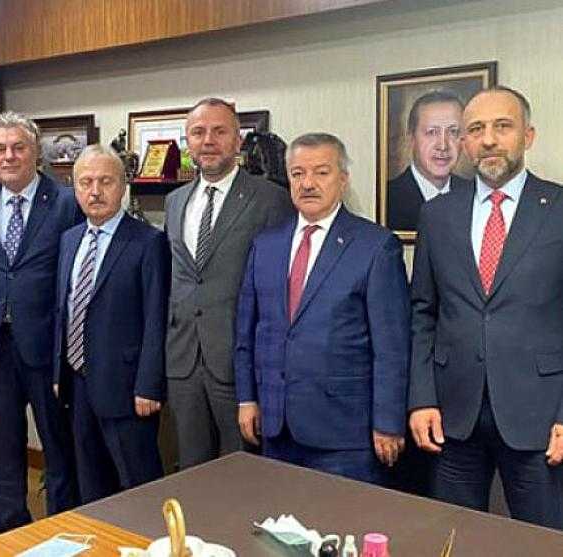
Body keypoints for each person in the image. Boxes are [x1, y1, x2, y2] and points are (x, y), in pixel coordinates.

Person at [409, 86, 563, 528]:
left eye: (502, 126)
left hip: (538, 417)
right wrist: (421, 399)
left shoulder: (557, 208)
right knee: (453, 536)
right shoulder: (437, 214)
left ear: (528, 136)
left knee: (543, 541)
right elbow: (422, 313)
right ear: (464, 142)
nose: (489, 139)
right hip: (453, 416)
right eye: (476, 129)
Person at [235, 133, 409, 485]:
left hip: (345, 433)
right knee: (279, 518)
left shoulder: (376, 246)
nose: (308, 183)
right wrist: (247, 399)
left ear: (343, 179)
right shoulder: (266, 245)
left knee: (343, 520)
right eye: (298, 174)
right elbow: (248, 332)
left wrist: (389, 422)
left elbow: (392, 347)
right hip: (276, 424)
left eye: (321, 172)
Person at [164, 97, 294, 469]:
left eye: (219, 131)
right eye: (198, 132)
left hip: (240, 364)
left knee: (243, 474)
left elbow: (279, 292)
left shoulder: (270, 200)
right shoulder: (175, 201)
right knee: (191, 470)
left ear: (238, 140)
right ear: (187, 142)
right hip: (184, 361)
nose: (208, 141)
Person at [0, 112, 81, 532]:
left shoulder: (67, 202)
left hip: (49, 347)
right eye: (0, 149)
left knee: (58, 444)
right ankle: (10, 529)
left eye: (19, 147)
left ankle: (64, 528)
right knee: (3, 447)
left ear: (36, 153)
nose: (9, 156)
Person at [53, 145, 169, 503]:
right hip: (78, 383)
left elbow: (156, 317)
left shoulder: (148, 241)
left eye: (105, 181)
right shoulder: (69, 239)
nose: (95, 191)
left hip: (127, 388)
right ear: (74, 188)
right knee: (91, 485)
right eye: (85, 182)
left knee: (139, 486)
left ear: (123, 186)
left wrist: (149, 385)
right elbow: (64, 309)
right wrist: (59, 372)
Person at [387, 90, 471, 231]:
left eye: (453, 132)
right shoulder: (388, 197)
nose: (443, 146)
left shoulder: (474, 194)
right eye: (432, 132)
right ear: (411, 139)